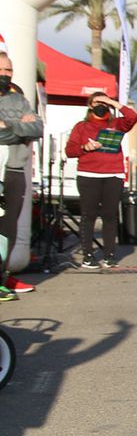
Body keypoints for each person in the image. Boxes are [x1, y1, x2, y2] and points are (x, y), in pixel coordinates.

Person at [65, 92, 137, 270]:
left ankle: (109, 255)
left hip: (113, 175)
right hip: (88, 175)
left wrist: (113, 102)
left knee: (110, 215)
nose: (101, 105)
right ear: (90, 106)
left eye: (104, 102)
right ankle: (88, 255)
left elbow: (132, 117)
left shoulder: (116, 124)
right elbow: (70, 150)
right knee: (88, 215)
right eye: (97, 102)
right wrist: (85, 147)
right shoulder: (81, 127)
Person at [0, 51, 43, 294]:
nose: (5, 75)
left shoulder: (18, 101)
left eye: (9, 71)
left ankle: (2, 279)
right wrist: (20, 128)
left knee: (8, 228)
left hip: (14, 172)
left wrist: (9, 125)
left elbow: (36, 128)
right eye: (1, 70)